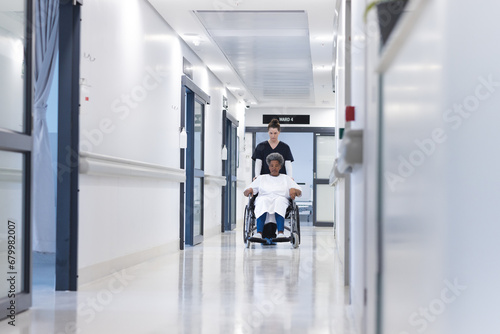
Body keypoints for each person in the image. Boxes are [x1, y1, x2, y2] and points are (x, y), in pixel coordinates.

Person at [244, 153, 302, 239]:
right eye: (271, 165)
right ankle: (258, 233)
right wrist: (249, 190)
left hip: (281, 199)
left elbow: (299, 191)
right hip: (264, 198)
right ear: (268, 167)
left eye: (276, 165)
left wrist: (294, 190)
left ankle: (280, 233)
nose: (274, 168)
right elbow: (247, 191)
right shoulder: (261, 178)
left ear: (280, 167)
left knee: (279, 201)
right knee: (262, 201)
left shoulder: (286, 178)